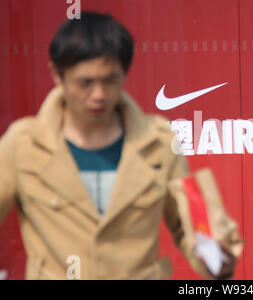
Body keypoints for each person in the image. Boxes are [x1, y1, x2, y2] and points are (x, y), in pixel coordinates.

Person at [0, 11, 236, 280]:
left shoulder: (158, 141)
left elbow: (190, 228)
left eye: (110, 80)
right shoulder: (22, 145)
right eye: (85, 83)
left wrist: (217, 258)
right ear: (57, 75)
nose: (99, 94)